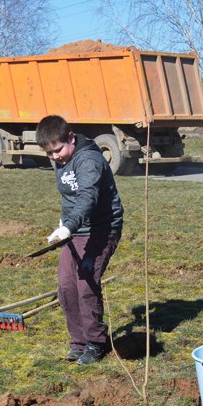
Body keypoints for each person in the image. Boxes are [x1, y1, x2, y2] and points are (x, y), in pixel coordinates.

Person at [35, 115, 124, 365]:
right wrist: (64, 223)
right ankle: (78, 342)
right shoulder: (61, 160)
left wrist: (70, 226)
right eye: (49, 153)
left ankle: (96, 342)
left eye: (58, 150)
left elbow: (87, 196)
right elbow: (69, 197)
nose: (55, 157)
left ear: (71, 138)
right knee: (66, 285)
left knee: (85, 283)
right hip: (76, 229)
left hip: (102, 229)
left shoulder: (89, 160)